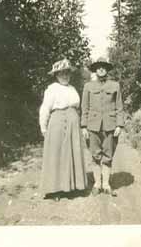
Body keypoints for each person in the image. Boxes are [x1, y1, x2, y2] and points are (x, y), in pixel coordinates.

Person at [39, 58, 88, 201]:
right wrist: (43, 127)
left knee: (73, 151)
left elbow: (77, 106)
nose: (65, 76)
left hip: (72, 121)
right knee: (56, 153)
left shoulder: (72, 89)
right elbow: (45, 109)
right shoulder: (52, 89)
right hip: (57, 122)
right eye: (61, 74)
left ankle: (73, 186)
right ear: (56, 75)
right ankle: (55, 189)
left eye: (67, 73)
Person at [81, 57, 124, 196]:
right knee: (95, 155)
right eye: (98, 67)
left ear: (107, 69)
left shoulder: (115, 85)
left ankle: (106, 184)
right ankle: (97, 184)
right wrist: (83, 126)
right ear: (95, 70)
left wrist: (119, 125)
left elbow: (119, 107)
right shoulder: (88, 86)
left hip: (110, 126)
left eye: (103, 67)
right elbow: (84, 107)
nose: (101, 69)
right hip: (92, 127)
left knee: (108, 155)